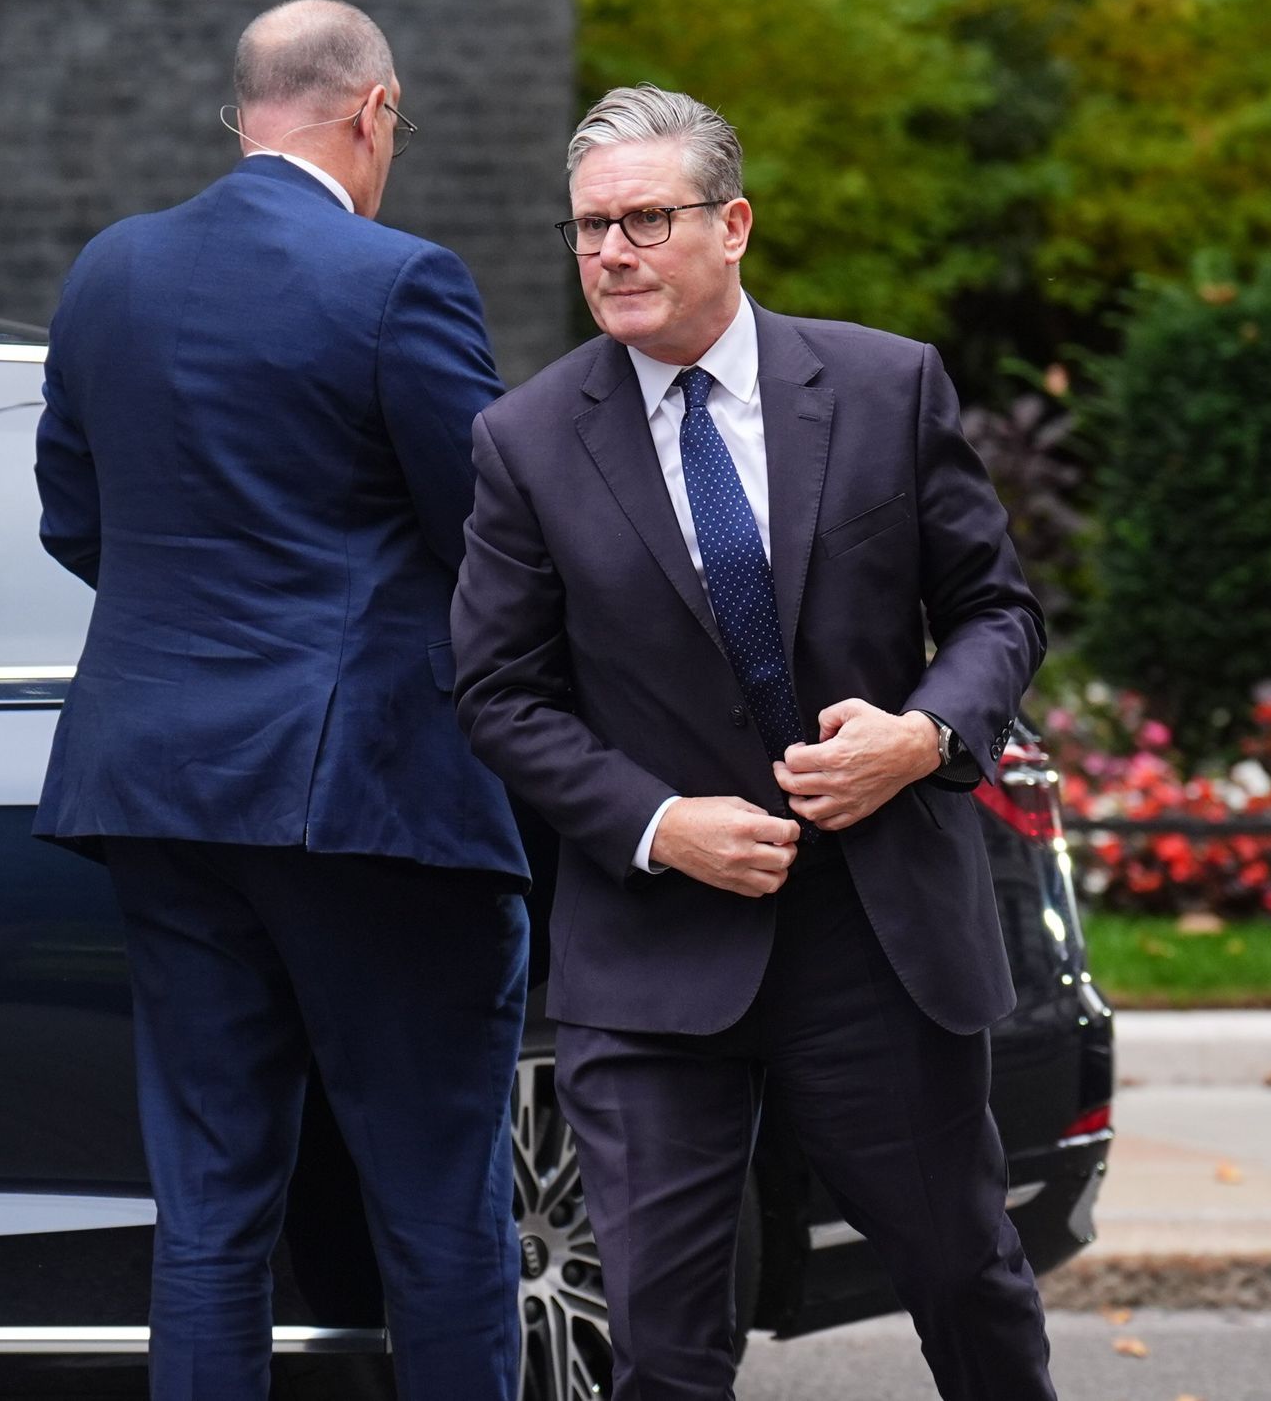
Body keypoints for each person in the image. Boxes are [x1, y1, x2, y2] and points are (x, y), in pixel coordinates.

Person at [453, 84, 1056, 1399]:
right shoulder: (526, 442)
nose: (610, 252)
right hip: (655, 955)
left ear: (732, 225)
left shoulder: (888, 387)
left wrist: (927, 735)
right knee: (665, 1345)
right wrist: (660, 825)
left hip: (876, 934)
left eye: (645, 221)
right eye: (588, 229)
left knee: (964, 1280)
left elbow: (997, 613)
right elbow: (498, 693)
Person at [33, 0, 528, 1401]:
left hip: (153, 788)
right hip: (366, 796)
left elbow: (77, 523)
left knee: (207, 1215)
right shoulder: (398, 280)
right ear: (371, 113)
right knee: (437, 1208)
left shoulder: (108, 272)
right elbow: (491, 538)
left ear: (242, 110)